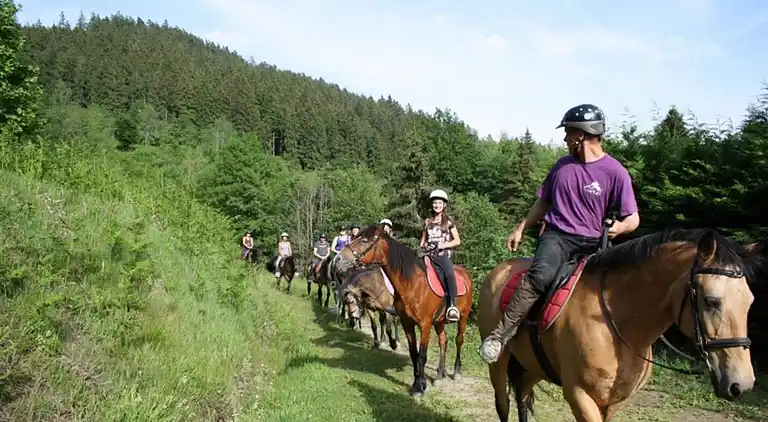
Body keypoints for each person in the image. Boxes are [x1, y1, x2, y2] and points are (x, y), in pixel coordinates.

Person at [478, 104, 641, 364]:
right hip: (558, 237)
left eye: (567, 133)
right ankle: (500, 335)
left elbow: (633, 218)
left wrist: (617, 228)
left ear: (581, 135)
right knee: (540, 276)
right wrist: (521, 228)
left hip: (594, 242)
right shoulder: (562, 166)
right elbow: (543, 203)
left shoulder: (615, 172)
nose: (565, 139)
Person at [421, 189, 461, 323]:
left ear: (444, 205)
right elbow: (423, 241)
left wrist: (442, 245)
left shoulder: (448, 222)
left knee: (449, 275)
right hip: (429, 256)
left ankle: (453, 306)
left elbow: (457, 240)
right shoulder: (427, 222)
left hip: (443, 256)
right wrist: (425, 245)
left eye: (439, 203)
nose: (437, 205)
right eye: (435, 203)